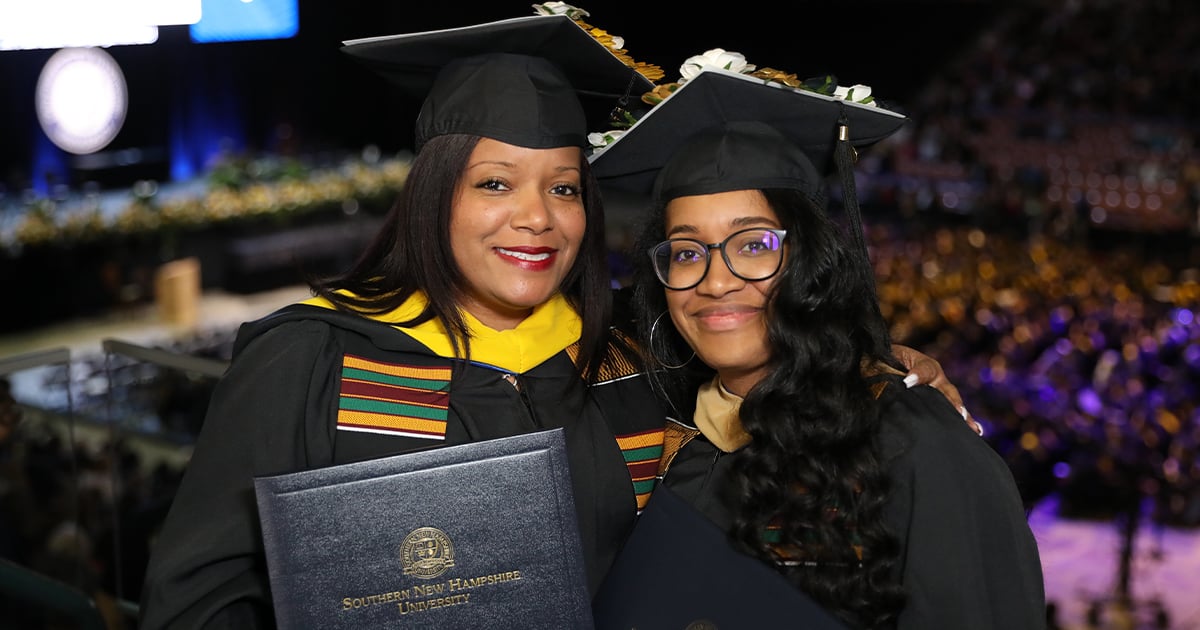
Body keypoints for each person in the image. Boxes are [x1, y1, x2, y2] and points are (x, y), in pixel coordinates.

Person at [138, 10, 967, 630]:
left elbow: (769, 391)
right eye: (495, 183)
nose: (537, 217)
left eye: (565, 187)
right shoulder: (311, 360)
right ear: (436, 195)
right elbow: (199, 602)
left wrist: (877, 363)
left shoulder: (637, 370)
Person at [590, 64, 1046, 628]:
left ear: (810, 259)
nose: (714, 280)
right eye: (686, 252)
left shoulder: (915, 446)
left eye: (753, 245)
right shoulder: (659, 429)